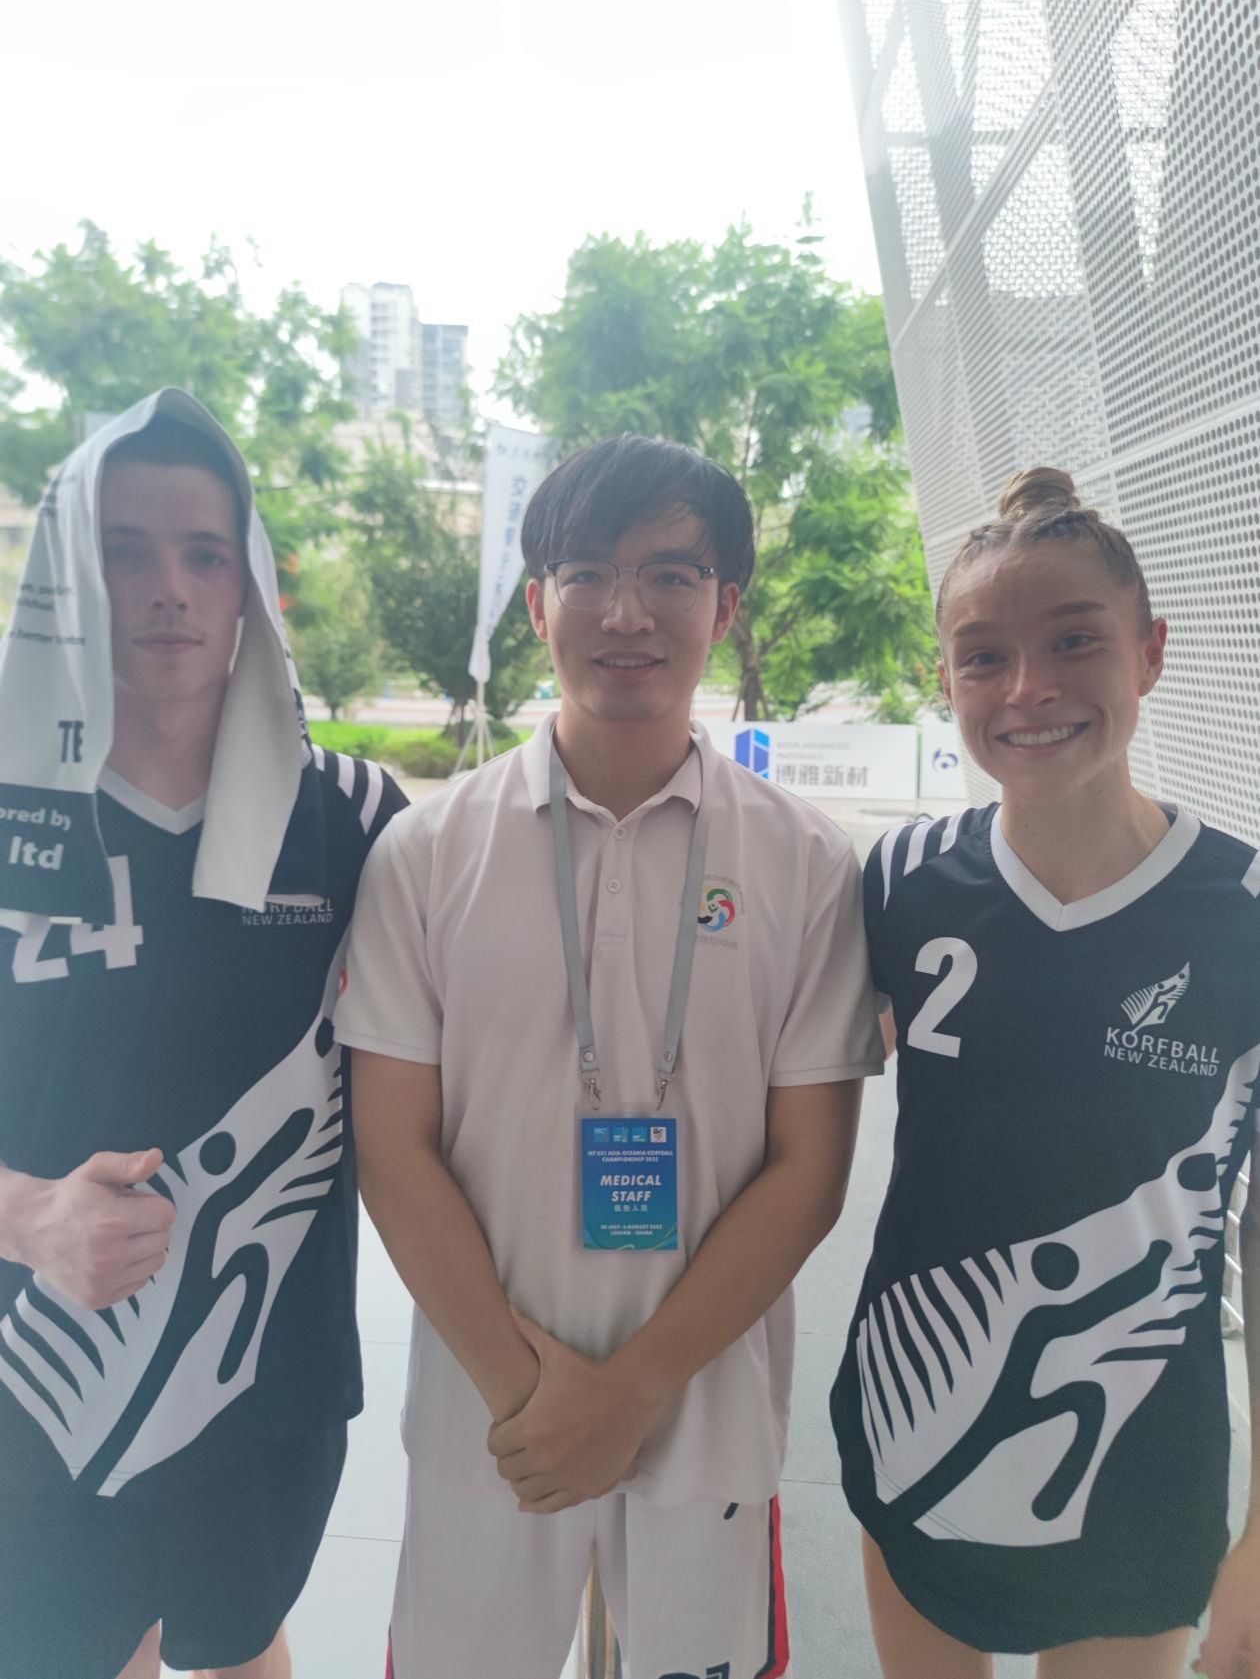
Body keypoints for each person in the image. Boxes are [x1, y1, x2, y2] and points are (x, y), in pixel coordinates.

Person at [336, 434, 885, 1679]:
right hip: (489, 1418)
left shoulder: (805, 864)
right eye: (587, 572)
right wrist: (533, 1400)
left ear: (725, 605)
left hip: (705, 1409)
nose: (626, 612)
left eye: (671, 575)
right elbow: (392, 1148)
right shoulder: (429, 855)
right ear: (538, 604)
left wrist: (634, 1390)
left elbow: (810, 1170)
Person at [0, 390, 406, 1679]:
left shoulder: (357, 818)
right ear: (70, 576)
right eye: (125, 551)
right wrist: (31, 1218)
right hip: (38, 1378)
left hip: (266, 1378)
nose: (167, 588)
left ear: (249, 586)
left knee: (240, 1643)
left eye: (203, 554)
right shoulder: (10, 812)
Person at [830, 468, 1259, 1679]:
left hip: (1144, 1459)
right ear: (947, 677)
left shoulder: (1241, 910)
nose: (1027, 688)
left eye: (1074, 640)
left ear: (1150, 651)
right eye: (984, 657)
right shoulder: (901, 883)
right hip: (914, 1431)